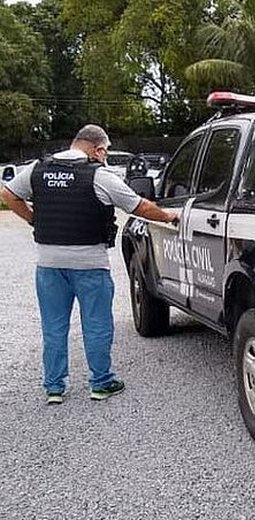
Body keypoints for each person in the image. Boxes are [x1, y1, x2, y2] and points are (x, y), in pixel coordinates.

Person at [0, 125, 179, 404]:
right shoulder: (98, 176)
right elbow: (139, 206)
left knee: (53, 326)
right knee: (96, 325)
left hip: (48, 265)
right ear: (99, 149)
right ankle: (101, 383)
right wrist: (168, 216)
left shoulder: (38, 168)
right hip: (90, 265)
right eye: (104, 153)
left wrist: (33, 219)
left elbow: (8, 194)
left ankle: (54, 388)